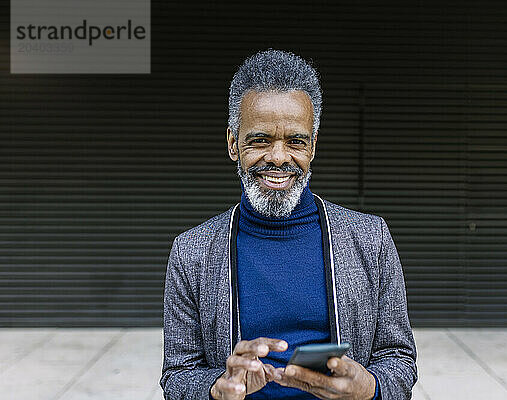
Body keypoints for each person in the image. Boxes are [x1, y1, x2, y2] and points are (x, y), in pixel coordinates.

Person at [160, 49, 417, 400]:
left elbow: (399, 360)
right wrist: (216, 389)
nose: (279, 158)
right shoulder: (192, 253)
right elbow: (177, 376)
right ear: (234, 144)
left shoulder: (370, 239)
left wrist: (369, 388)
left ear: (312, 146)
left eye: (295, 141)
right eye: (260, 140)